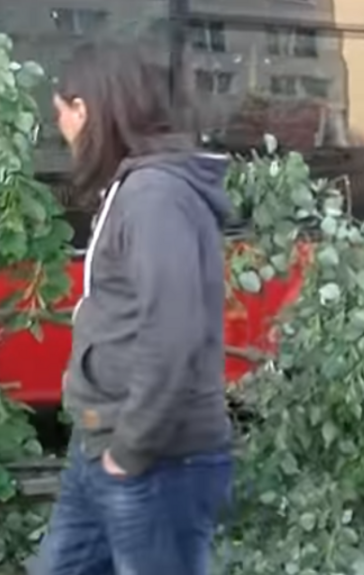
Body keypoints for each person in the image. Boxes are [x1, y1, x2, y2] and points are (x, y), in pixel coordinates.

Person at [35, 41, 235, 575]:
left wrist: (131, 451)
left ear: (87, 111)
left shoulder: (155, 197)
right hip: (102, 441)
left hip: (155, 460)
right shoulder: (136, 188)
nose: (63, 132)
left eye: (62, 115)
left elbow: (172, 336)